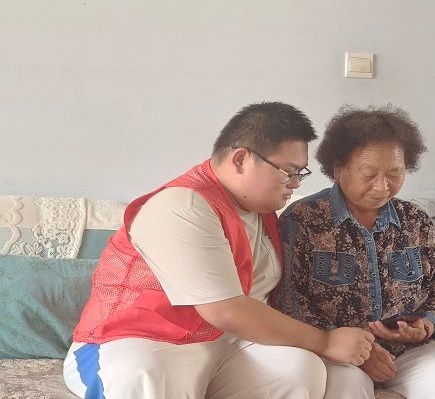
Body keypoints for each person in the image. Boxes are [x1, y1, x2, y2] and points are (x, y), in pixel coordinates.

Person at [63, 102, 375, 399]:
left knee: (298, 370)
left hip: (222, 341)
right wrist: (324, 341)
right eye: (288, 172)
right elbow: (226, 310)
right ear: (241, 159)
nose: (295, 184)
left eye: (300, 173)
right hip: (139, 340)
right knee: (144, 375)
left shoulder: (261, 211)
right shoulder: (182, 206)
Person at [276, 105, 435, 399]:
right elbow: (289, 300)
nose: (383, 187)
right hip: (338, 352)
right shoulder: (303, 220)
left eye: (395, 173)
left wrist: (424, 326)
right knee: (346, 387)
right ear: (337, 168)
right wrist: (351, 348)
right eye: (369, 174)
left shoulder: (414, 220)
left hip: (408, 352)